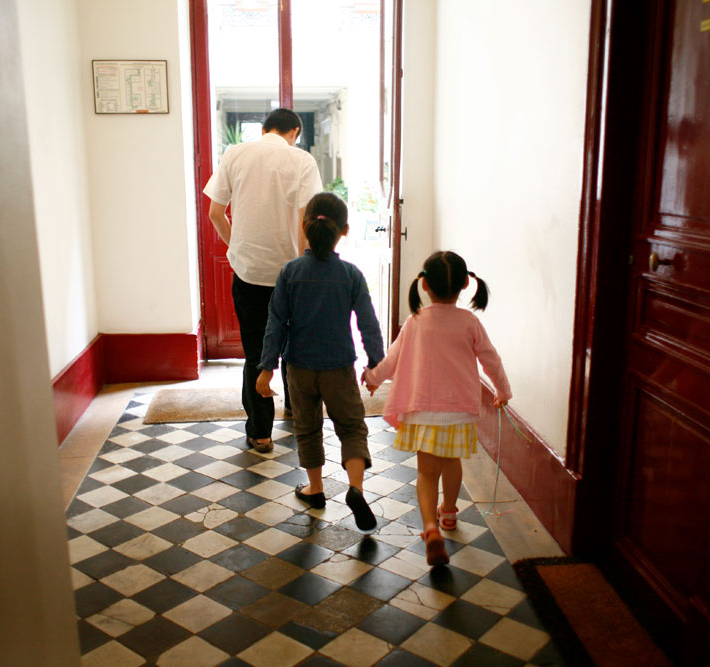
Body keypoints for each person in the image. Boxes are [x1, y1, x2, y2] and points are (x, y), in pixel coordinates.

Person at [362, 251, 511, 565]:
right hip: (458, 410)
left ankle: (430, 527)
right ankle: (450, 515)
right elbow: (490, 359)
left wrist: (374, 378)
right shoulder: (470, 321)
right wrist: (503, 391)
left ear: (425, 284)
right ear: (464, 286)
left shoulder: (416, 321)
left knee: (427, 473)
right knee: (452, 461)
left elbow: (392, 359)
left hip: (423, 409)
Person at [255, 192, 384, 531]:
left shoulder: (290, 273)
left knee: (307, 429)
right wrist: (376, 366)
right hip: (338, 367)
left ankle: (315, 489)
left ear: (304, 226)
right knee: (352, 427)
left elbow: (276, 323)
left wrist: (266, 368)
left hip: (299, 368)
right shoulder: (351, 275)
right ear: (345, 230)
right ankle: (355, 488)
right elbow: (368, 323)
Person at [204, 109, 323, 453]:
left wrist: (236, 246)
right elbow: (307, 218)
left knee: (256, 351)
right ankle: (295, 411)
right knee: (293, 349)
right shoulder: (301, 161)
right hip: (290, 275)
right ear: (295, 131)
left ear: (265, 128)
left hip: (249, 273)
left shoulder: (235, 154)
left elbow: (215, 212)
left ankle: (260, 432)